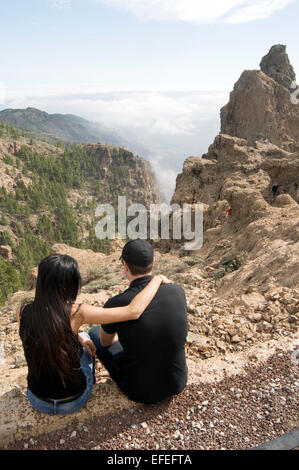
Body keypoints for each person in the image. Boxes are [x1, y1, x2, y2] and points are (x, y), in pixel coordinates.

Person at [17, 253, 171, 415]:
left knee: (82, 337)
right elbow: (133, 311)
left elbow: (45, 335)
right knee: (91, 337)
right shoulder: (76, 312)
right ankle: (92, 380)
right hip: (74, 399)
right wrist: (156, 279)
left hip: (38, 400)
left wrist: (79, 337)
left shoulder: (22, 311)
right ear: (69, 283)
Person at [89, 239, 188, 405]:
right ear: (153, 262)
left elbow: (106, 342)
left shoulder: (115, 303)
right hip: (177, 382)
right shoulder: (178, 290)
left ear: (125, 266)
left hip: (140, 392)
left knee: (94, 333)